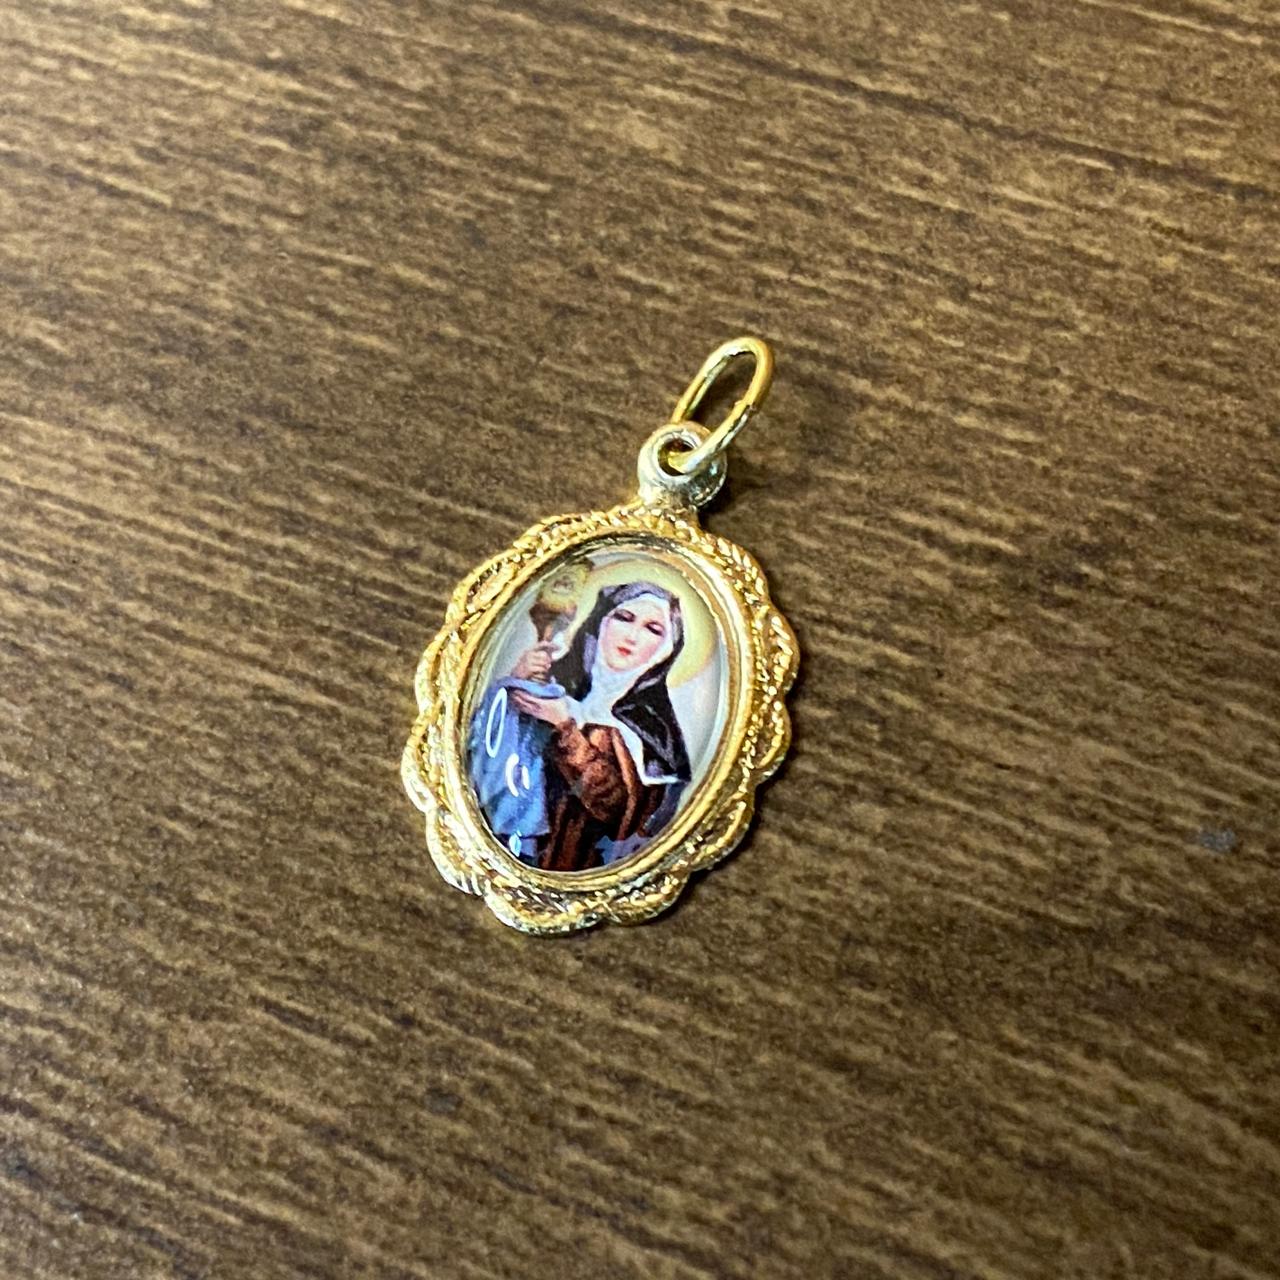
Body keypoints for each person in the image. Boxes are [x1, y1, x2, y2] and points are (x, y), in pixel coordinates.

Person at [469, 581, 692, 873]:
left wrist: (566, 729)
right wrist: (514, 681)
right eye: (624, 618)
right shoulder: (551, 686)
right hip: (501, 847)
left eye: (653, 629)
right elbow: (481, 747)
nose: (632, 636)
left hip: (578, 865)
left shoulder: (655, 731)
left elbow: (617, 811)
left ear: (665, 650)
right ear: (601, 622)